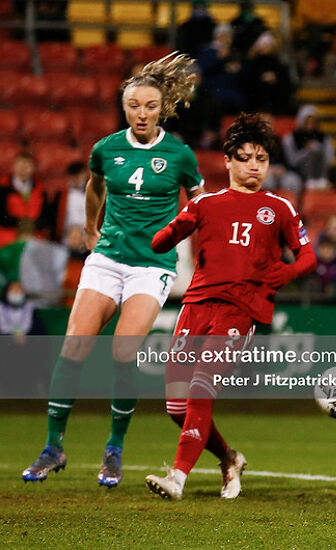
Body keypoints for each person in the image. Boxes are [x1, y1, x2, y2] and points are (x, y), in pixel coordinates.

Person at [22, 53, 204, 487]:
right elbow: (95, 185)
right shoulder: (106, 148)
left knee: (124, 350)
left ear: (162, 109)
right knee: (74, 348)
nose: (142, 113)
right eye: (134, 106)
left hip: (153, 264)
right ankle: (53, 446)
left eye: (150, 106)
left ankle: (114, 449)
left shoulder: (179, 154)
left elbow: (200, 204)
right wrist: (90, 227)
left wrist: (200, 250)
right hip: (108, 257)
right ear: (124, 108)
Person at [145, 114, 317, 500]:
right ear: (227, 161)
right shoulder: (206, 203)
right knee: (176, 406)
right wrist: (171, 229)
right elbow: (159, 243)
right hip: (196, 305)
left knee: (201, 389)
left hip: (240, 310)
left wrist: (282, 275)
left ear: (269, 164)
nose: (253, 166)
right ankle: (228, 458)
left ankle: (178, 477)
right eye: (244, 158)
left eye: (261, 159)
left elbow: (308, 258)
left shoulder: (280, 207)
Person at [282, 105, 336, 189]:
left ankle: (321, 179)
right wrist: (306, 151)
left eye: (313, 122)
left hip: (321, 174)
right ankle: (310, 180)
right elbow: (292, 161)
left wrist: (318, 150)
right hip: (299, 172)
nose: (310, 126)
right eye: (307, 122)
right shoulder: (291, 138)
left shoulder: (324, 138)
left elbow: (330, 160)